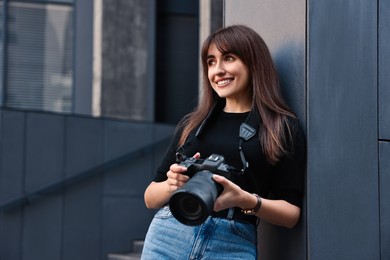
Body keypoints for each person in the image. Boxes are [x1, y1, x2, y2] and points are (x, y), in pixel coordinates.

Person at [141, 24, 305, 259]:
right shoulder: (193, 125)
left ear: (253, 63)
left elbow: (291, 215)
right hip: (169, 234)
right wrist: (171, 184)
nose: (217, 70)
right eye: (210, 62)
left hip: (233, 241)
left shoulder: (281, 128)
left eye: (228, 58)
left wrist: (247, 200)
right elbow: (150, 197)